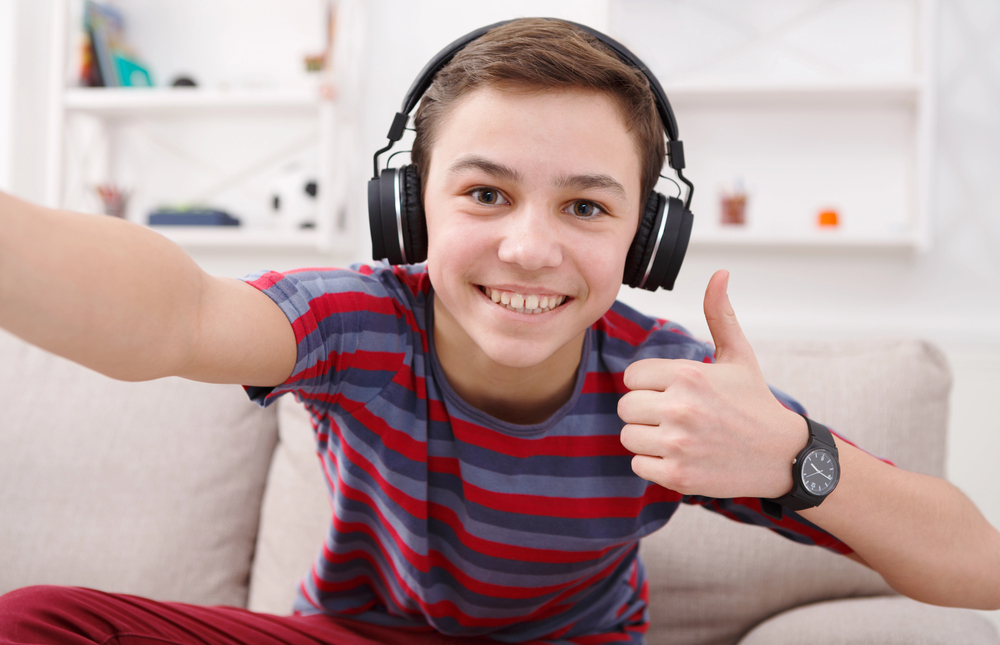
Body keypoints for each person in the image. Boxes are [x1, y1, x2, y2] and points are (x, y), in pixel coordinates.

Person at [0, 17, 998, 645]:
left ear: (646, 239)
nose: (528, 248)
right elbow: (175, 316)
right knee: (38, 619)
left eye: (585, 208)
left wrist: (793, 455)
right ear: (410, 209)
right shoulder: (360, 319)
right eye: (485, 192)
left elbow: (975, 568)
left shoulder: (671, 388)